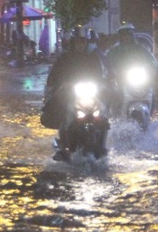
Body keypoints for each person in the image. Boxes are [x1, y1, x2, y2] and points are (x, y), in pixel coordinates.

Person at [42, 28, 108, 161]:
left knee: (103, 114)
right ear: (73, 43)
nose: (80, 44)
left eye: (83, 41)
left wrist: (104, 83)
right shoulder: (64, 58)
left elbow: (101, 74)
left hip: (90, 92)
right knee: (60, 108)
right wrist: (62, 84)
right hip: (69, 93)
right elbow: (53, 76)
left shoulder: (93, 57)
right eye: (78, 41)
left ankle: (102, 144)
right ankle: (64, 146)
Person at [105, 24, 158, 112]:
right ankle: (113, 115)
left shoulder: (141, 49)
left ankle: (150, 113)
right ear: (120, 36)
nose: (126, 37)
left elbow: (152, 61)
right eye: (124, 35)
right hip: (119, 81)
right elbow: (105, 63)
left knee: (151, 93)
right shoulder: (114, 51)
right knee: (113, 95)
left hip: (139, 80)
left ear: (132, 35)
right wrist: (108, 74)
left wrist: (156, 71)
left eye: (129, 34)